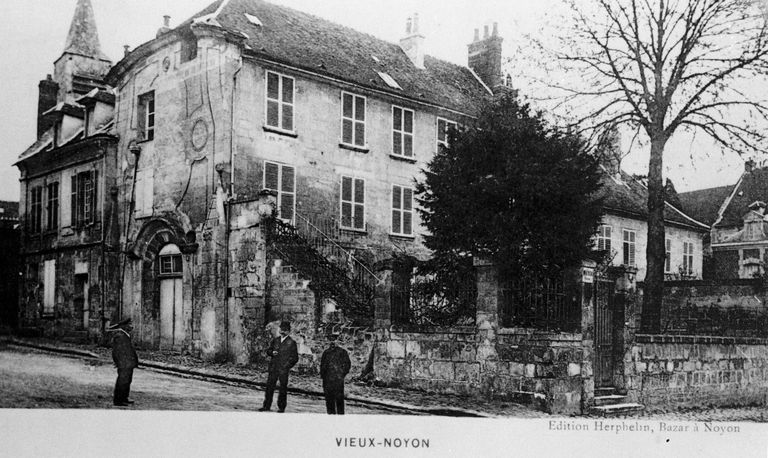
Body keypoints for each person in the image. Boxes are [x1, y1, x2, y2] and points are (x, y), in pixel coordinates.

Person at [259, 321, 299, 413]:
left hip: (283, 369)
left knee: (283, 389)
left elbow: (295, 358)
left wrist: (286, 366)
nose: (282, 331)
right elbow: (268, 351)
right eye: (281, 329)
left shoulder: (291, 342)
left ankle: (281, 407)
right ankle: (266, 406)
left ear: (288, 331)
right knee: (269, 387)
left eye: (285, 330)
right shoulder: (276, 340)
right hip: (274, 368)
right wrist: (272, 352)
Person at [109, 318, 139, 407]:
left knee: (127, 381)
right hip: (124, 363)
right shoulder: (120, 336)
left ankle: (124, 398)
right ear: (124, 326)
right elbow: (117, 351)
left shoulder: (125, 335)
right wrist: (119, 362)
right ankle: (119, 400)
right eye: (129, 324)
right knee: (122, 381)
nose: (131, 326)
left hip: (127, 363)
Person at [319, 333, 351, 415]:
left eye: (334, 340)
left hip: (338, 380)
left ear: (337, 341)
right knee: (329, 401)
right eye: (330, 340)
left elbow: (347, 365)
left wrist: (341, 374)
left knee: (339, 400)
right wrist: (323, 377)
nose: (332, 342)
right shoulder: (326, 353)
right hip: (327, 381)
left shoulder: (342, 352)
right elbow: (322, 366)